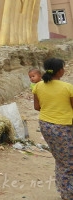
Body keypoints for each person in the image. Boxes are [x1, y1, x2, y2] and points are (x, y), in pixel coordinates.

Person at [33, 58, 73, 200]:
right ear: (60, 71)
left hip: (45, 125)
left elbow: (37, 107)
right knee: (69, 162)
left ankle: (63, 190)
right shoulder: (67, 87)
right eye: (63, 67)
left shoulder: (38, 86)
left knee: (61, 159)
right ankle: (68, 194)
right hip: (64, 127)